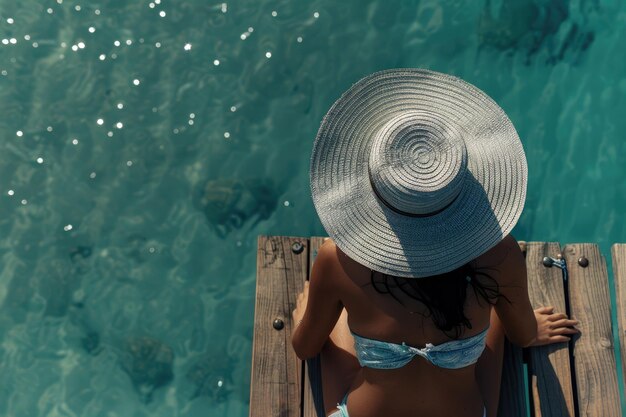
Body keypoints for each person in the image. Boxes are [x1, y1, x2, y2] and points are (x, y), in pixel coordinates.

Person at [291, 69, 579, 417]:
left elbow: (305, 348)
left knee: (334, 322)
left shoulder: (339, 262)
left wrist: (303, 317)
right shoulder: (499, 257)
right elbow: (521, 336)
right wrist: (528, 328)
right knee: (500, 314)